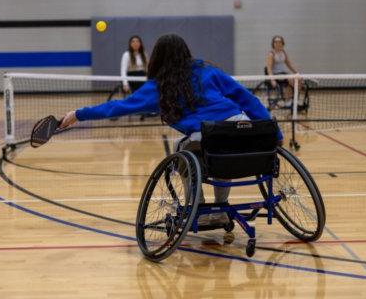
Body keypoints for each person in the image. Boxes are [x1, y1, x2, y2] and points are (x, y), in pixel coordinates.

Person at [60, 34, 283, 225]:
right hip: (242, 128)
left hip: (210, 135)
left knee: (184, 151)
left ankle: (198, 207)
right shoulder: (207, 71)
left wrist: (78, 114)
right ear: (186, 52)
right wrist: (276, 134)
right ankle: (222, 207)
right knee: (222, 155)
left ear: (156, 58)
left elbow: (116, 107)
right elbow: (247, 98)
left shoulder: (158, 87)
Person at [266, 35, 300, 107]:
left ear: (282, 43)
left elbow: (289, 64)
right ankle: (290, 100)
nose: (278, 43)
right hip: (276, 75)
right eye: (276, 42)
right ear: (273, 44)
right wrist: (272, 80)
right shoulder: (271, 54)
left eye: (279, 42)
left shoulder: (283, 52)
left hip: (284, 74)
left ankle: (292, 100)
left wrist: (297, 73)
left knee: (298, 80)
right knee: (291, 80)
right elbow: (269, 68)